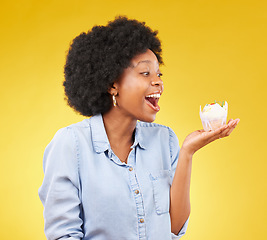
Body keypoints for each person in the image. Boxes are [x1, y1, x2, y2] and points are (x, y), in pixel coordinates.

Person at [38, 16, 239, 240]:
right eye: (146, 73)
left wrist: (187, 153)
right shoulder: (71, 144)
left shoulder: (166, 139)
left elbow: (173, 228)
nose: (158, 82)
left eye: (159, 74)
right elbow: (63, 235)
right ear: (112, 84)